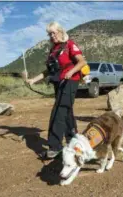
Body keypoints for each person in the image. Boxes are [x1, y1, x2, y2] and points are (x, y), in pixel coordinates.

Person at [26, 21, 87, 158]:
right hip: (59, 82)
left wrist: (71, 72)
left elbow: (82, 62)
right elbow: (48, 71)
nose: (52, 36)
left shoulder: (70, 45)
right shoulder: (53, 49)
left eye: (54, 32)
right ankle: (74, 140)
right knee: (66, 111)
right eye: (49, 34)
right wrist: (33, 80)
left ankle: (55, 147)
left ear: (61, 31)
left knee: (58, 112)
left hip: (70, 81)